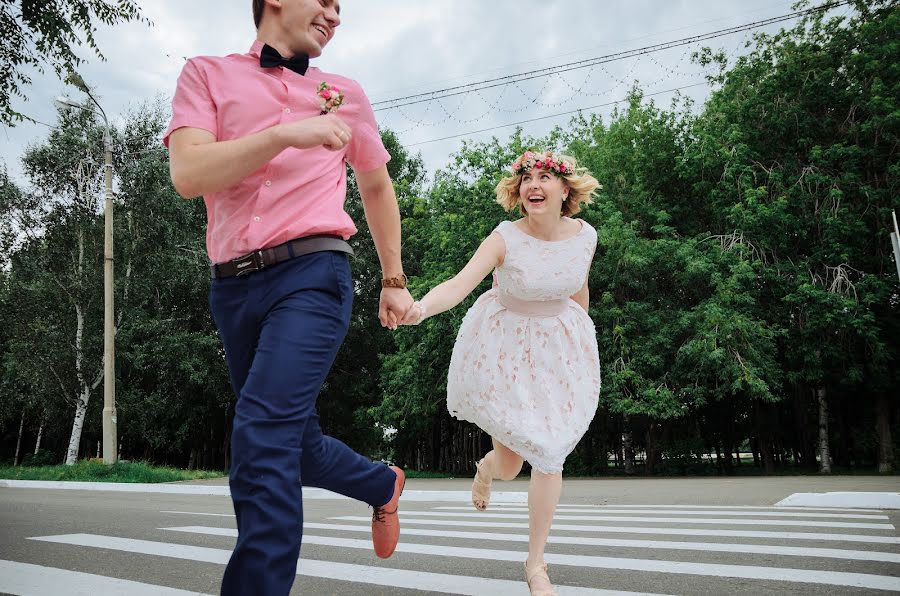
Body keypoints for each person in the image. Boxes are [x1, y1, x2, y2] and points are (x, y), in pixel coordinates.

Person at [164, 1, 411, 594]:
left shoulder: (345, 91)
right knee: (296, 448)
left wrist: (394, 279)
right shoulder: (206, 73)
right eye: (324, 0)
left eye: (340, 8)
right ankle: (382, 484)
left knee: (261, 435)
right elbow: (188, 173)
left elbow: (375, 185)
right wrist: (282, 134)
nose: (334, 15)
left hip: (313, 273)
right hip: (234, 288)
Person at [402, 150, 602, 596]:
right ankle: (487, 470)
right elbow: (459, 284)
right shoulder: (505, 237)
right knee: (511, 466)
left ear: (565, 189)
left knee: (551, 453)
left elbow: (579, 289)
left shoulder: (585, 237)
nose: (535, 183)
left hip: (557, 352)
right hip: (506, 351)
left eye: (545, 176)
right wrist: (419, 310)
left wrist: (581, 347)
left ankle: (536, 564)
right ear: (519, 191)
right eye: (527, 177)